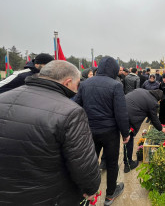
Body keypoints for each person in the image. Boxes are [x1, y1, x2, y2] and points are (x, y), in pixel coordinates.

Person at [0, 60, 101, 205]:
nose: (78, 89)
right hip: (48, 195)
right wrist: (91, 188)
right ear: (67, 82)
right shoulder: (70, 111)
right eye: (77, 84)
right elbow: (83, 163)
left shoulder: (3, 98)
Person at [74, 57, 130, 205]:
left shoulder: (85, 84)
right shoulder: (115, 85)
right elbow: (121, 112)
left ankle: (87, 193)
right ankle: (110, 195)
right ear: (113, 69)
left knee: (90, 162)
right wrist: (125, 133)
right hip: (109, 132)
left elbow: (75, 105)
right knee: (112, 163)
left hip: (89, 130)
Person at [123, 88, 165, 172]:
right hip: (129, 117)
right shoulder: (153, 102)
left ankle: (105, 161)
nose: (158, 102)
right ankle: (128, 164)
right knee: (128, 138)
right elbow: (154, 118)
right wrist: (161, 128)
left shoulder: (142, 90)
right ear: (158, 99)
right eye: (159, 101)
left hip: (120, 109)